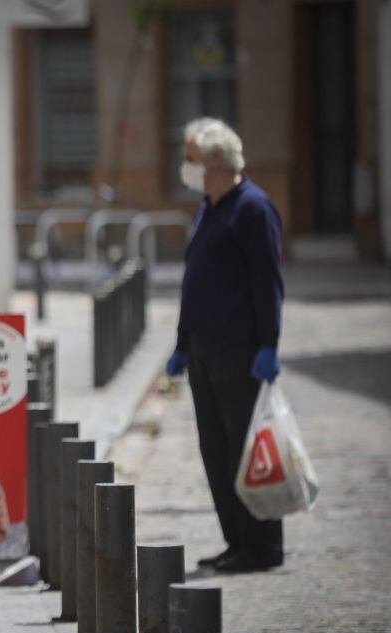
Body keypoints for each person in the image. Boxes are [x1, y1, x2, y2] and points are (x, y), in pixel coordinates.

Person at [166, 118, 285, 573]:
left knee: (246, 450)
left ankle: (262, 544)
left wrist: (269, 343)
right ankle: (236, 541)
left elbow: (266, 281)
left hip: (240, 350)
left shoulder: (252, 208)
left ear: (215, 161)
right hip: (202, 348)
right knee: (215, 450)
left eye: (190, 157)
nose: (186, 166)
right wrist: (181, 342)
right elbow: (193, 283)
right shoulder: (208, 207)